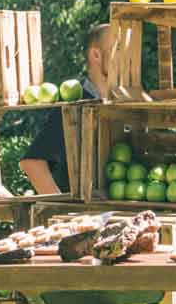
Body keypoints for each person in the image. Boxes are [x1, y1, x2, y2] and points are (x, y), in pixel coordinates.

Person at [19, 23, 109, 194]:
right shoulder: (74, 103)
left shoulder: (120, 101)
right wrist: (62, 208)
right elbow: (32, 162)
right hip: (84, 216)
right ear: (96, 55)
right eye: (118, 48)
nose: (127, 56)